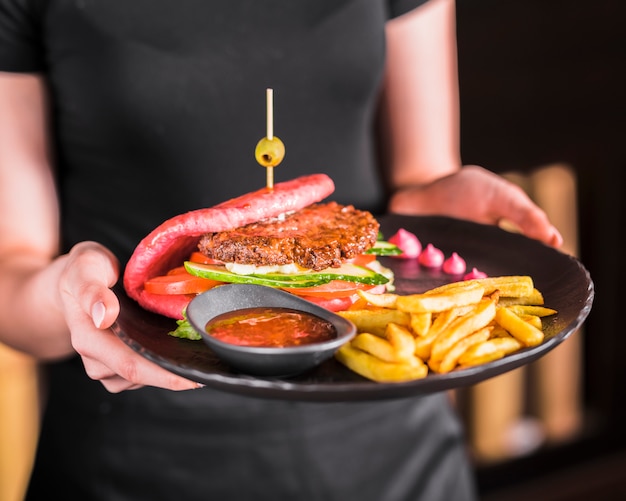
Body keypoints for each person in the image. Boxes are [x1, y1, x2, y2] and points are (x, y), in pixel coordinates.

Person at [0, 0, 562, 500]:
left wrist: (442, 197)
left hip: (388, 439)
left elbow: (421, 173)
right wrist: (69, 294)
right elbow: (13, 269)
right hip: (135, 449)